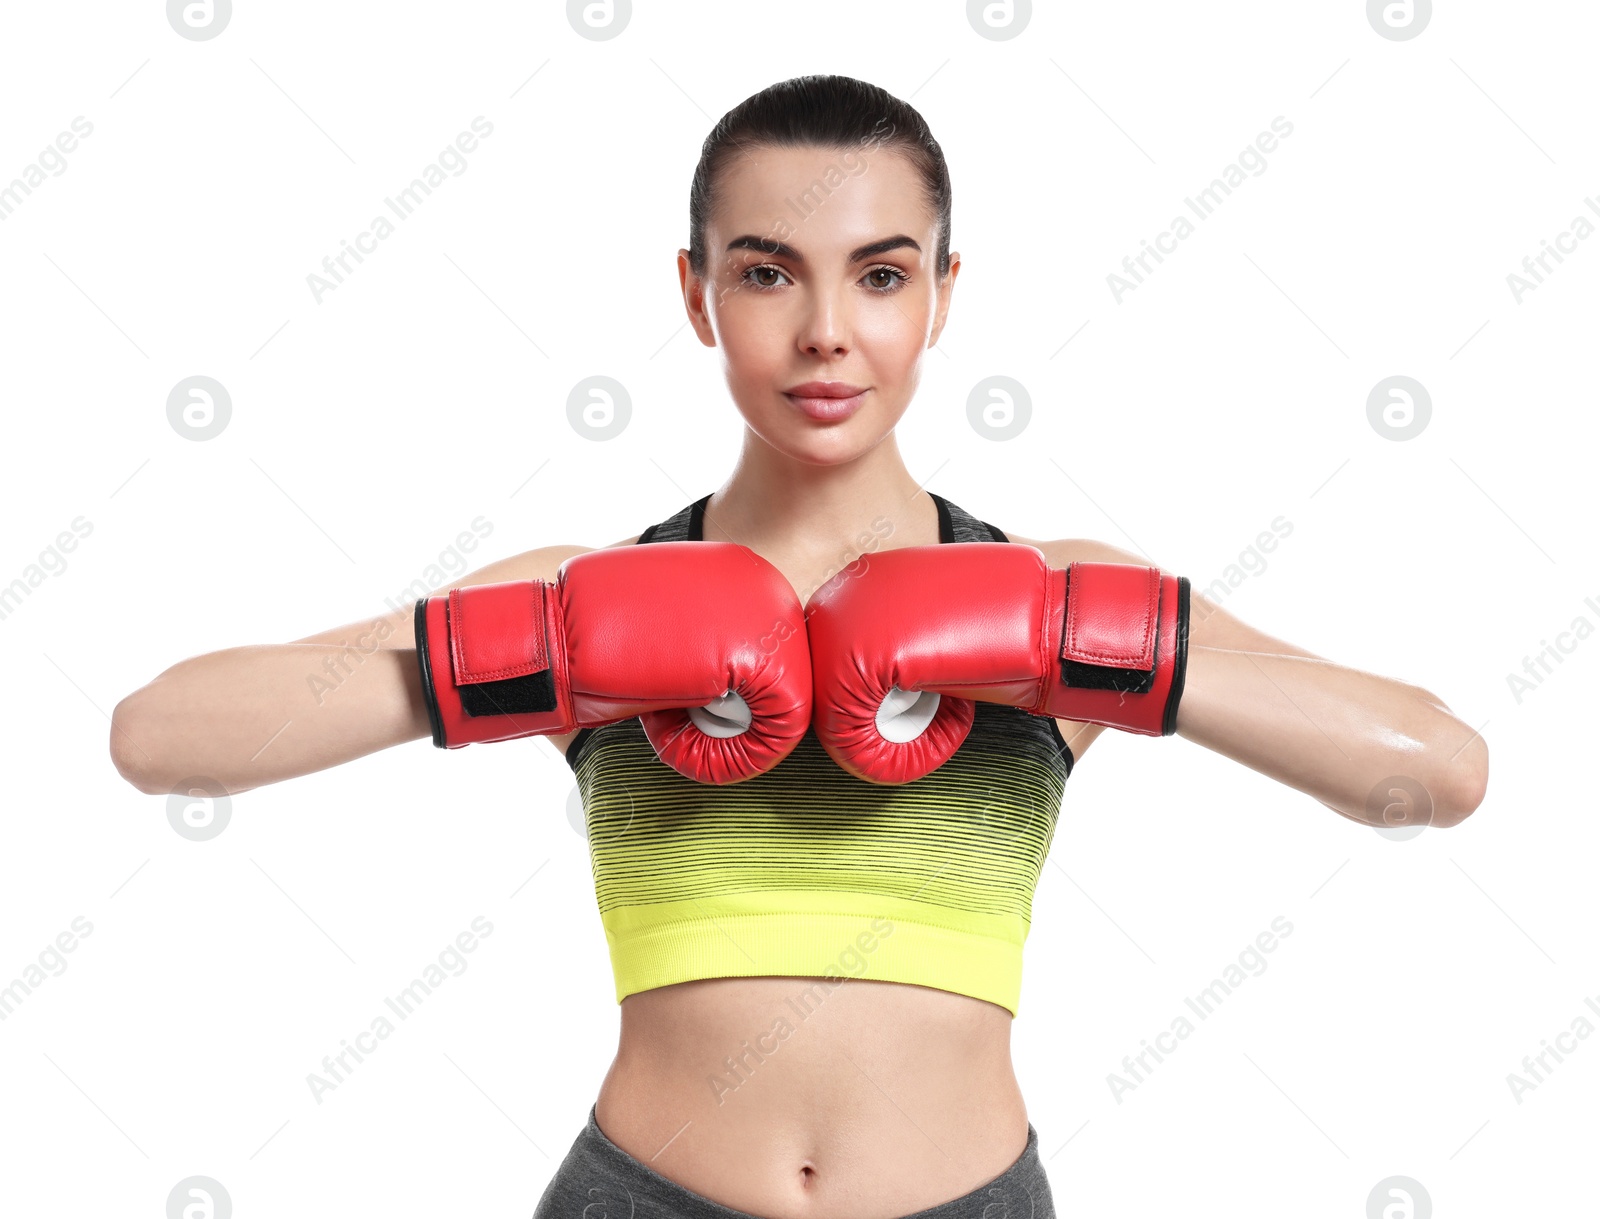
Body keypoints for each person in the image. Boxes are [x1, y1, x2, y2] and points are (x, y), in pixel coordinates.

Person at [110, 74, 1489, 1219]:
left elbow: (1439, 768)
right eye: (767, 274)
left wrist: (1085, 644)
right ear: (698, 295)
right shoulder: (586, 596)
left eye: (880, 275)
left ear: (942, 295)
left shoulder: (1062, 592)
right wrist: (535, 649)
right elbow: (159, 736)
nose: (827, 332)